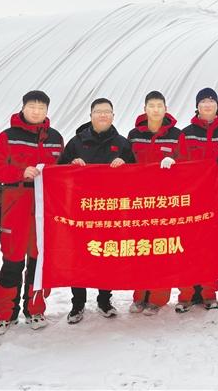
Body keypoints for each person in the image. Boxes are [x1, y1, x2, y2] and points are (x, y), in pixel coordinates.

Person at [0, 91, 64, 336]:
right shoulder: (7, 137)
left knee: (38, 262)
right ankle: (4, 314)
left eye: (41, 107)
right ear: (23, 108)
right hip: (16, 204)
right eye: (32, 106)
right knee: (12, 262)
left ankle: (35, 309)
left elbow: (62, 172)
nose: (36, 111)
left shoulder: (55, 138)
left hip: (44, 209)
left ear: (47, 111)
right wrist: (21, 171)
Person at [57, 97, 135, 324]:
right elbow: (58, 172)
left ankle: (104, 300)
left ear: (113, 116)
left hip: (110, 210)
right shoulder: (76, 142)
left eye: (107, 111)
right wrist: (72, 165)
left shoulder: (122, 143)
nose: (103, 115)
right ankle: (77, 304)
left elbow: (138, 176)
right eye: (98, 111)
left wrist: (125, 164)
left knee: (106, 253)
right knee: (79, 255)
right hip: (81, 210)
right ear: (90, 115)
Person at [176, 87, 218, 312]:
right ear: (197, 106)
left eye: (211, 101)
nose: (207, 105)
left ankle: (208, 292)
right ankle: (186, 293)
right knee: (188, 242)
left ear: (217, 105)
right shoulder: (186, 134)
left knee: (212, 244)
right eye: (203, 101)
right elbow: (179, 165)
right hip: (192, 196)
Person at [126, 90, 186, 315]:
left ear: (165, 109)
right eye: (151, 105)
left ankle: (158, 298)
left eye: (160, 105)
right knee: (141, 249)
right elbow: (127, 163)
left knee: (161, 248)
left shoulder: (176, 135)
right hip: (139, 201)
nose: (155, 109)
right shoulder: (134, 134)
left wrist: (175, 161)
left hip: (164, 202)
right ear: (145, 109)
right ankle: (140, 295)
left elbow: (187, 162)